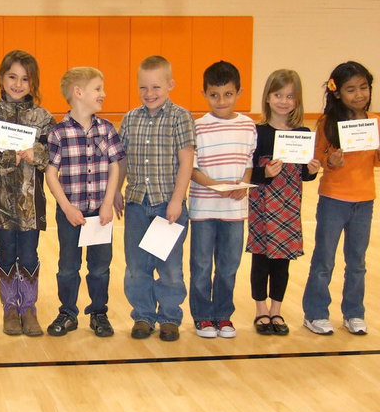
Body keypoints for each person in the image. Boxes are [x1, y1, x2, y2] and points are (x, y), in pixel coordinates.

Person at [0, 50, 56, 337]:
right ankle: (9, 308)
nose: (18, 84)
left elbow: (54, 155)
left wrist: (37, 153)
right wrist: (12, 158)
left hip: (31, 204)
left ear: (33, 83)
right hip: (0, 205)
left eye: (25, 79)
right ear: (1, 78)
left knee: (29, 255)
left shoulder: (43, 118)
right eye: (12, 77)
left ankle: (29, 308)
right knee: (6, 253)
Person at [114, 55, 195, 342]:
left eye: (156, 87)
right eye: (143, 88)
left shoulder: (180, 117)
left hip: (166, 205)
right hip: (137, 204)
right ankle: (144, 315)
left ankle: (170, 317)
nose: (149, 94)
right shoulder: (130, 118)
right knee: (137, 267)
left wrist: (177, 200)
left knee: (170, 267)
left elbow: (186, 162)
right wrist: (115, 191)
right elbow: (121, 161)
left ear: (171, 85)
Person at [302, 61, 379, 336]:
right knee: (324, 260)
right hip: (334, 200)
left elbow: (375, 160)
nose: (359, 94)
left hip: (365, 200)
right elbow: (317, 157)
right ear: (337, 93)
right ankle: (315, 313)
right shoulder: (327, 123)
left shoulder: (374, 122)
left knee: (357, 262)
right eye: (351, 89)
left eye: (363, 88)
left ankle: (354, 313)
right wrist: (330, 160)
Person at [45, 67, 123, 338]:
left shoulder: (107, 129)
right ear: (78, 93)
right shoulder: (59, 133)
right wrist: (66, 207)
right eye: (98, 89)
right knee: (68, 266)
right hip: (71, 213)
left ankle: (99, 312)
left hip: (99, 213)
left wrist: (107, 202)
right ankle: (67, 312)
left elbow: (115, 166)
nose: (104, 93)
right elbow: (51, 173)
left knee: (100, 266)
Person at [247, 70, 320, 336]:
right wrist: (264, 173)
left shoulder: (302, 133)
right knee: (261, 258)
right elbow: (249, 174)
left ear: (297, 100)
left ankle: (276, 310)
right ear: (267, 97)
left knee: (282, 261)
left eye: (290, 96)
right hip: (262, 205)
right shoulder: (258, 133)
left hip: (289, 207)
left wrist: (311, 169)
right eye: (278, 95)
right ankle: (260, 309)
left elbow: (304, 176)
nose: (283, 101)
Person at [187, 61, 256, 339]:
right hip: (204, 209)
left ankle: (223, 315)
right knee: (202, 266)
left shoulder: (249, 126)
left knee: (229, 266)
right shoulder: (198, 126)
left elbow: (249, 162)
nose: (221, 100)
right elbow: (190, 168)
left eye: (228, 94)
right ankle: (203, 316)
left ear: (239, 92)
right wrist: (216, 186)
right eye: (214, 95)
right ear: (204, 93)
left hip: (234, 210)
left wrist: (243, 186)